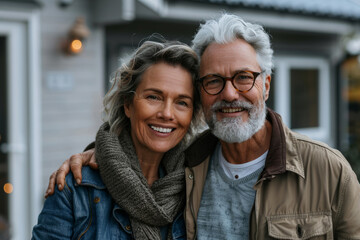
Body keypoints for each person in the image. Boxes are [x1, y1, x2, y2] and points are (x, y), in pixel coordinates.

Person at [46, 14, 360, 239]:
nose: (229, 93)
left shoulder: (328, 171)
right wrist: (95, 154)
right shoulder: (191, 165)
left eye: (243, 77)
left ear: (265, 84)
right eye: (213, 81)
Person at [32, 40, 202, 239]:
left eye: (182, 102)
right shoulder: (74, 188)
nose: (167, 113)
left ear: (192, 115)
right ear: (128, 104)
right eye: (153, 97)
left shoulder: (197, 186)